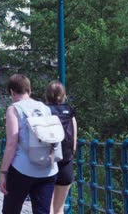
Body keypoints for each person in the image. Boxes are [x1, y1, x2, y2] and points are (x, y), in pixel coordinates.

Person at [0, 74, 58, 214]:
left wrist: (3, 172)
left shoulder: (14, 109)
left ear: (12, 92)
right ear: (29, 91)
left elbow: (12, 143)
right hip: (48, 169)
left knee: (11, 210)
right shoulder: (45, 108)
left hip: (22, 169)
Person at [45, 81, 77, 214]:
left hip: (47, 162)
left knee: (48, 207)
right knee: (60, 208)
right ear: (63, 95)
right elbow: (74, 139)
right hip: (66, 161)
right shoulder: (69, 111)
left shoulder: (44, 110)